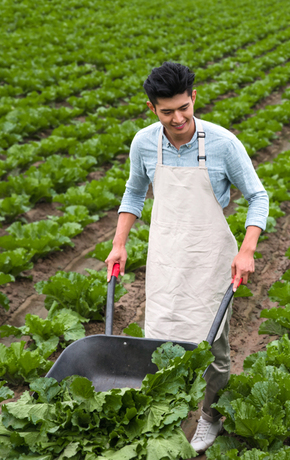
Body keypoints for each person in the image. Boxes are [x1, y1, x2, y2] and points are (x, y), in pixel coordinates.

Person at [105, 61, 269, 454]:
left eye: (184, 107)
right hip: (166, 257)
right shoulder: (144, 143)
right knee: (160, 339)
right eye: (167, 111)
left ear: (193, 98)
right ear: (152, 109)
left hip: (211, 258)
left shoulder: (223, 143)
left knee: (213, 348)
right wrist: (119, 243)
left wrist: (247, 250)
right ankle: (168, 410)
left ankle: (210, 416)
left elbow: (258, 197)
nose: (178, 118)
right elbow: (133, 194)